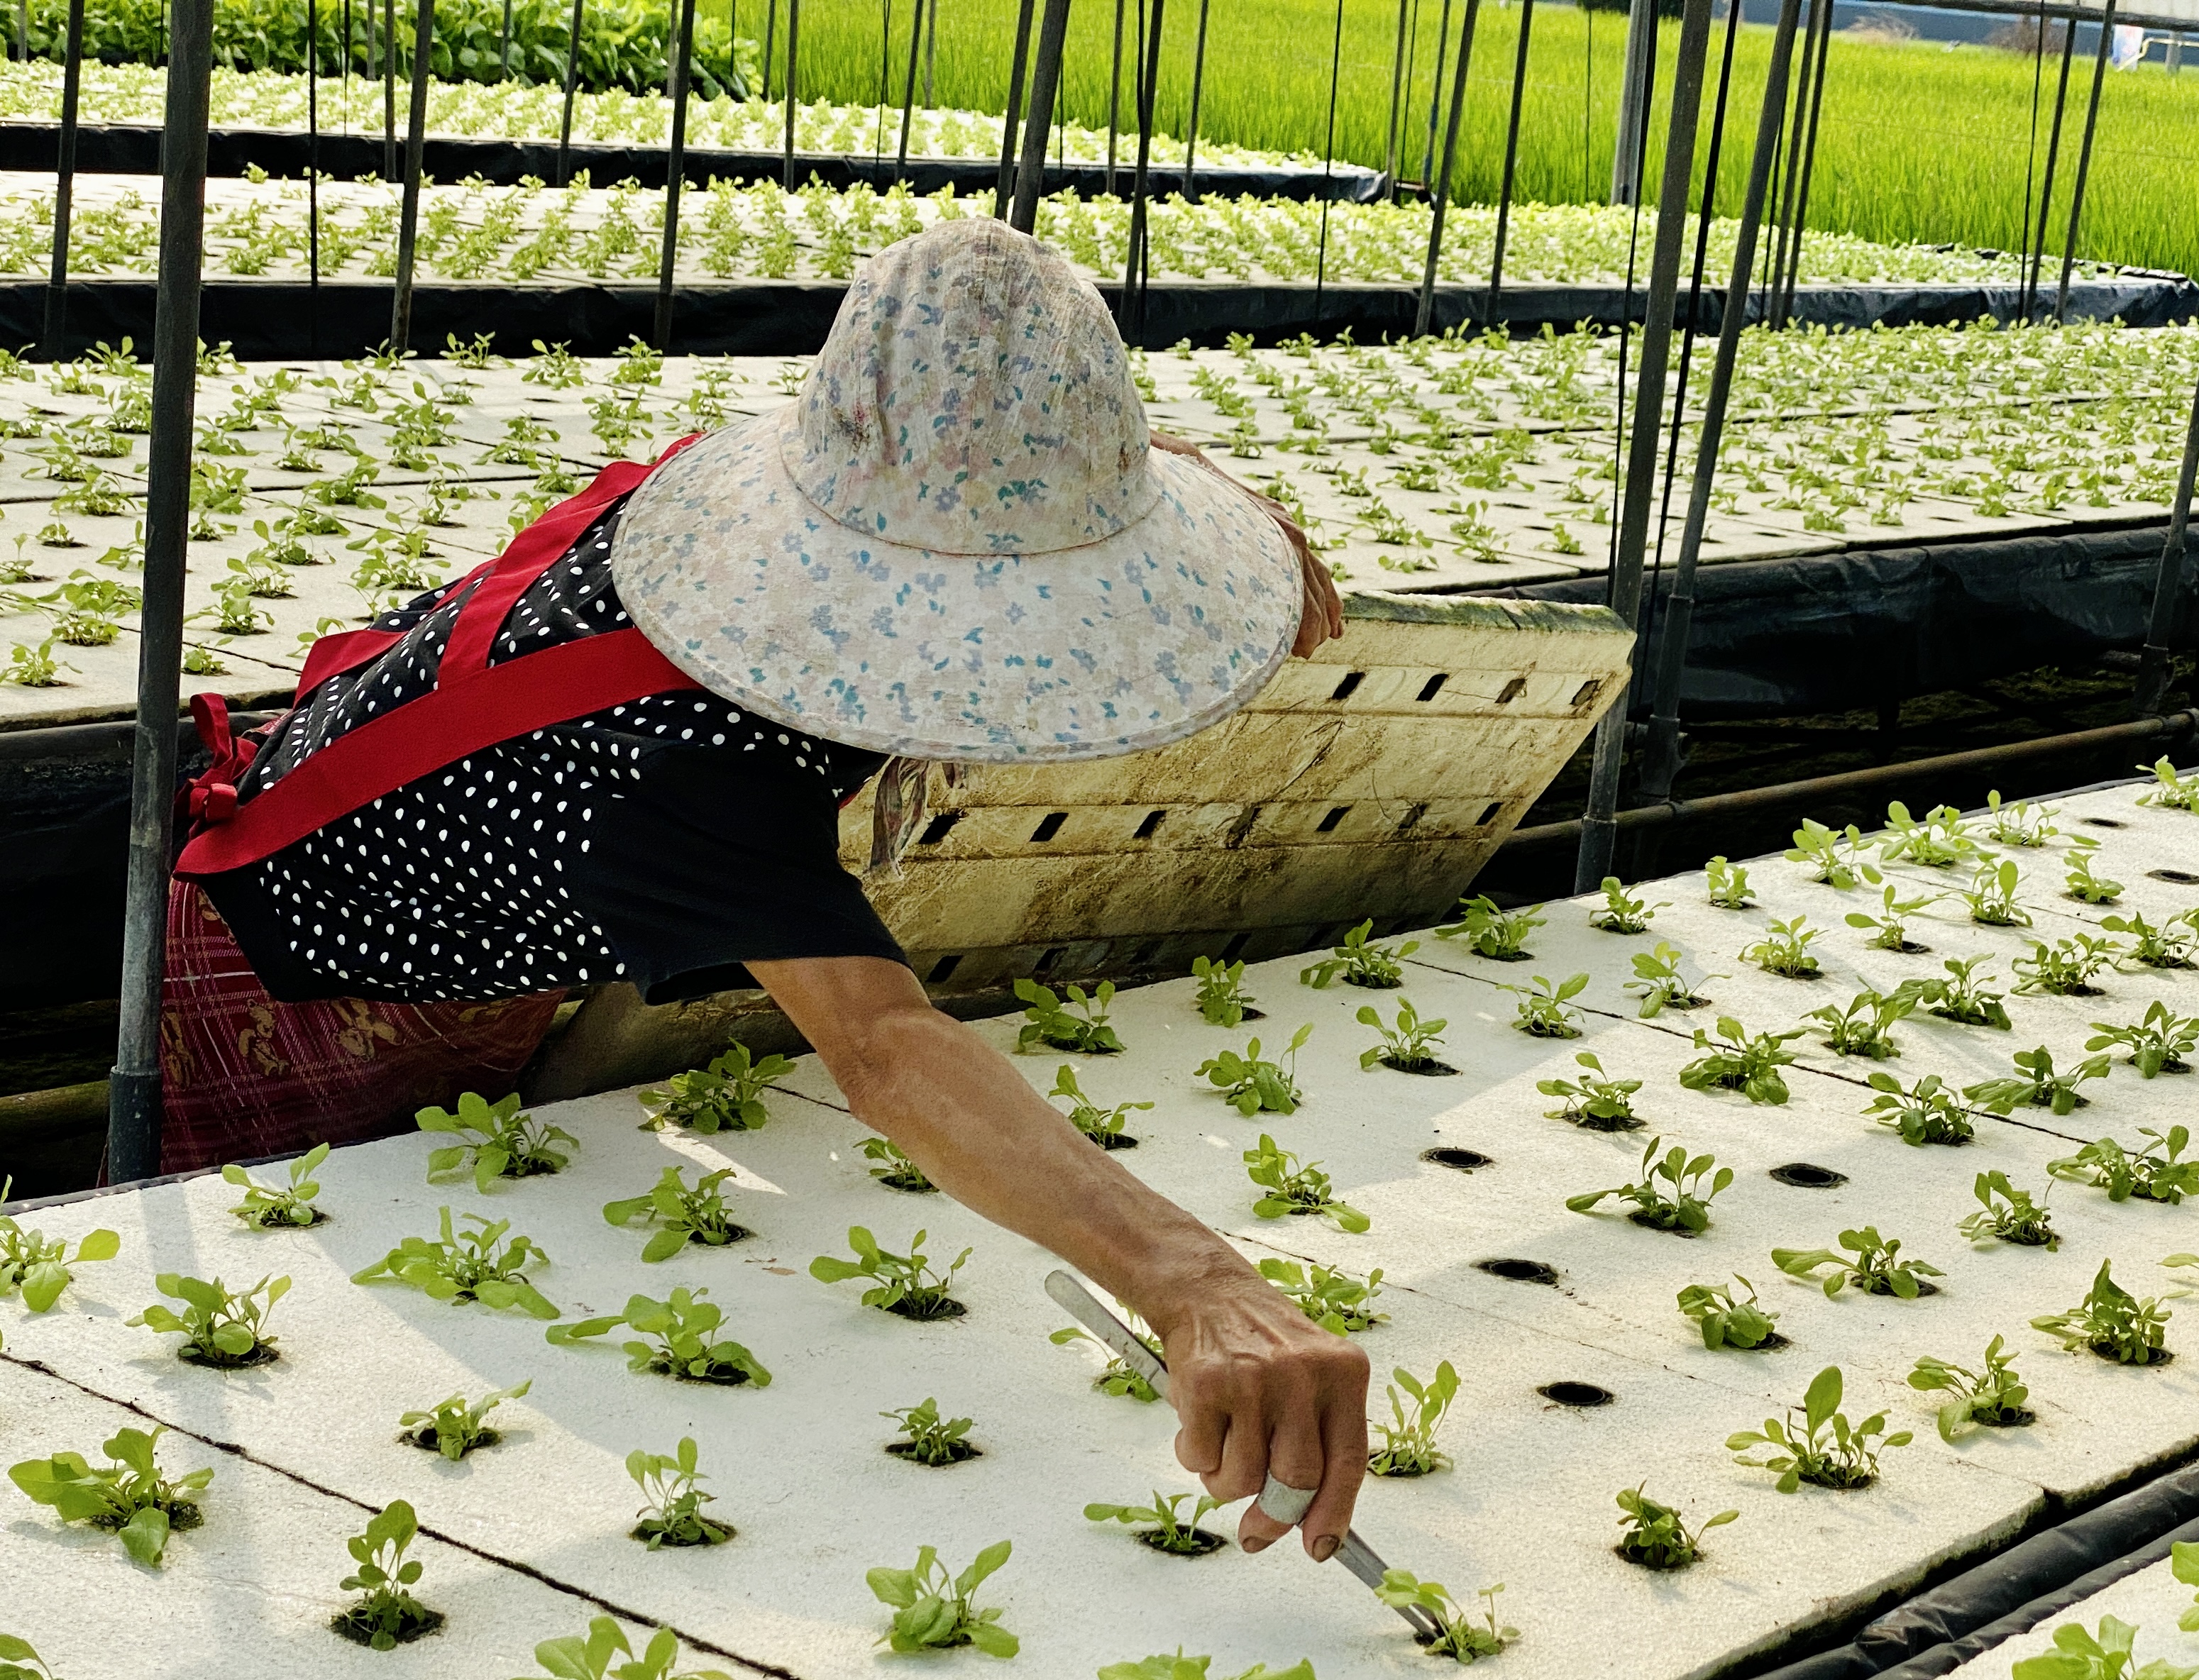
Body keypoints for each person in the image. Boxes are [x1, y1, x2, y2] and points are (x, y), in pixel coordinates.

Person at [164, 218, 1369, 1566]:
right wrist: (1195, 1281)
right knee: (283, 1335)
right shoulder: (691, 766)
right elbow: (885, 1046)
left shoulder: (806, 512)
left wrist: (1204, 505)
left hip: (461, 868)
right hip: (300, 965)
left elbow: (971, 464)